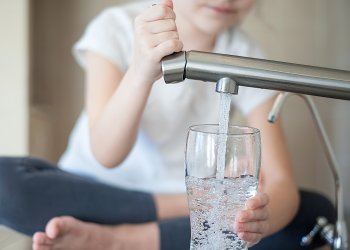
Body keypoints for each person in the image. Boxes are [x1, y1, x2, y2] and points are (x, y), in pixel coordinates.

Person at [0, 0, 335, 249]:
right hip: (94, 192)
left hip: (194, 206)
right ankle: (160, 229)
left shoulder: (247, 55)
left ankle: (116, 241)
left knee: (315, 212)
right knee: (6, 183)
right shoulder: (115, 27)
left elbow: (280, 183)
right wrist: (141, 71)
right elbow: (106, 153)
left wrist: (256, 221)